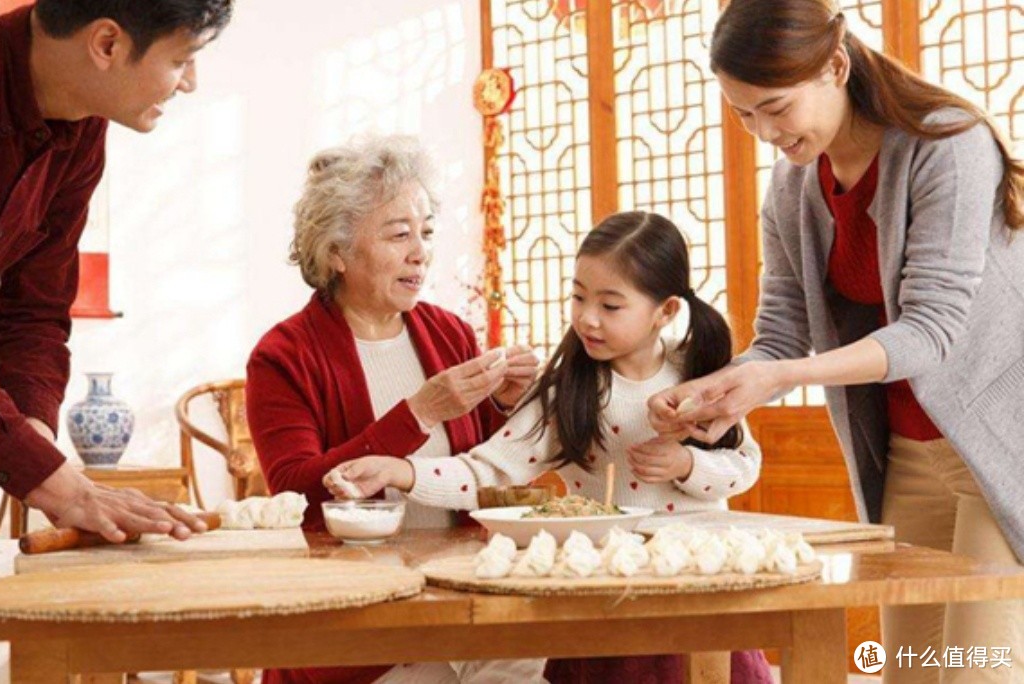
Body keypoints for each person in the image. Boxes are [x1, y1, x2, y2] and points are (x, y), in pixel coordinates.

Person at [647, 1, 1024, 682]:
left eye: (775, 107)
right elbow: (781, 334)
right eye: (743, 114)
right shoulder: (794, 187)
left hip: (1001, 444)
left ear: (837, 66)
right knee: (910, 670)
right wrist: (726, 390)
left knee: (979, 669)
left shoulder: (948, 145)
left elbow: (932, 330)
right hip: (908, 454)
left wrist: (784, 376)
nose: (763, 132)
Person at [326, 211, 773, 684]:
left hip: (708, 589)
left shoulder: (704, 375)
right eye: (578, 297)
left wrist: (688, 463)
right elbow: (488, 472)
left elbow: (745, 466)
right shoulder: (569, 393)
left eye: (611, 305)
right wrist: (400, 471)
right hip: (608, 605)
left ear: (665, 312)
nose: (586, 317)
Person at [245, 134, 543, 684]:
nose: (420, 252)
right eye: (399, 234)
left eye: (426, 233)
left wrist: (503, 406)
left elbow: (481, 469)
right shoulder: (283, 354)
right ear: (335, 252)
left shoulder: (448, 332)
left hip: (461, 597)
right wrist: (420, 413)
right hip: (354, 617)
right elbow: (293, 489)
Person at [0, 0, 233, 542]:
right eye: (182, 60)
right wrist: (57, 485)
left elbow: (34, 313)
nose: (191, 83)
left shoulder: (80, 132)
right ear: (106, 44)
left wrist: (32, 431)